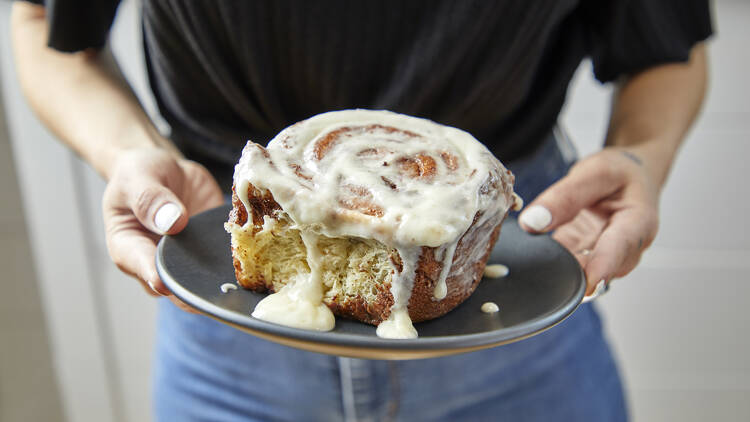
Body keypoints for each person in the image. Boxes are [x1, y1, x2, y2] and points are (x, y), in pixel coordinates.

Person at [11, 1, 711, 420]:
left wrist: (642, 156)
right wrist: (131, 154)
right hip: (228, 308)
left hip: (511, 284)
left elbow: (667, 43)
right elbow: (44, 19)